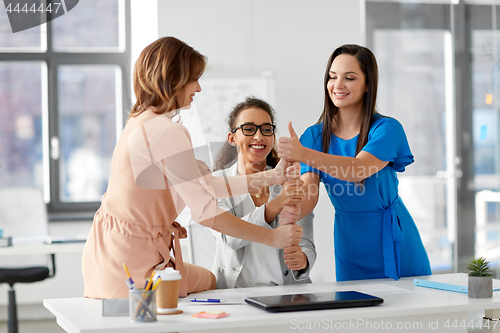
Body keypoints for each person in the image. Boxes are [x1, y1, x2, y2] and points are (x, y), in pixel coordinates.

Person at [81, 37, 303, 299]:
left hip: (107, 252)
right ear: (172, 78)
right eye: (193, 78)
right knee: (207, 284)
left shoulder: (140, 119)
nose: (198, 87)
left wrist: (272, 176)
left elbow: (208, 185)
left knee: (210, 280)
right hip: (133, 263)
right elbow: (206, 212)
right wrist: (272, 238)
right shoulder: (168, 132)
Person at [278, 44, 431, 282]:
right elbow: (310, 193)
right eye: (332, 77)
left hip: (392, 239)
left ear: (368, 84)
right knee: (357, 315)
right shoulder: (314, 137)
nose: (338, 85)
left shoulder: (386, 129)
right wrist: (291, 210)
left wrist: (303, 154)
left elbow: (357, 170)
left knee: (407, 313)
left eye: (349, 78)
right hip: (350, 243)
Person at [210, 97, 316, 288]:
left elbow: (306, 240)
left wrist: (303, 260)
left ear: (273, 138)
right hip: (235, 298)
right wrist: (277, 204)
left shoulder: (290, 181)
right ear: (232, 138)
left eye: (266, 129)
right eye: (249, 129)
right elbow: (230, 238)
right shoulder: (217, 183)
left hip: (287, 296)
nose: (259, 137)